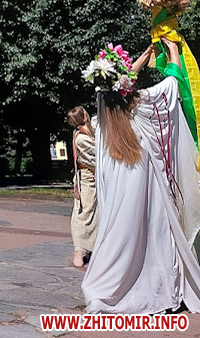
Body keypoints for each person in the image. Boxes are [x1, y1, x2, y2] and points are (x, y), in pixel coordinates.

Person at [82, 40, 200, 313]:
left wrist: (145, 55)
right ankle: (160, 288)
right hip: (149, 190)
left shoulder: (105, 119)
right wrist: (173, 51)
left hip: (120, 199)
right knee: (156, 235)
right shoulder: (141, 110)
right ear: (126, 88)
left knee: (124, 239)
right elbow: (171, 85)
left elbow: (118, 86)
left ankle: (110, 288)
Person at [66, 106, 97, 268]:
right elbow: (96, 156)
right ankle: (79, 251)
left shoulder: (89, 131)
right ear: (84, 116)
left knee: (97, 213)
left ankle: (91, 250)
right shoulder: (81, 138)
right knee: (83, 212)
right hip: (86, 178)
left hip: (94, 177)